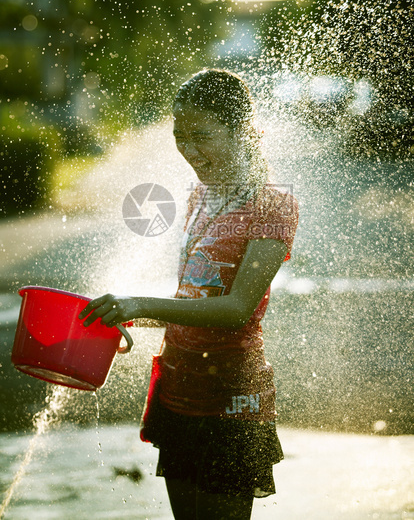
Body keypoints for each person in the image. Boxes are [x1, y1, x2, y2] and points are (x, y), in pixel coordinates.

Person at [79, 69, 299, 520]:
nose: (190, 151)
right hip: (178, 388)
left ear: (241, 129)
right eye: (180, 136)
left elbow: (237, 309)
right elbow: (194, 296)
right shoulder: (200, 195)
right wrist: (127, 312)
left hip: (230, 398)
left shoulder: (272, 204)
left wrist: (141, 303)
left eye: (202, 136)